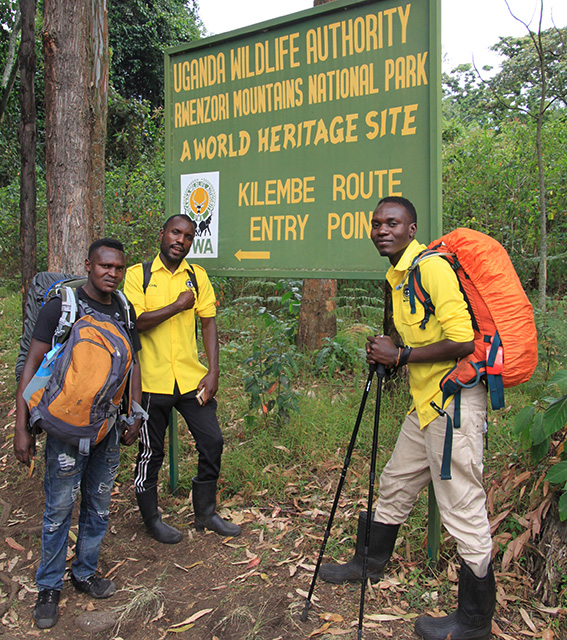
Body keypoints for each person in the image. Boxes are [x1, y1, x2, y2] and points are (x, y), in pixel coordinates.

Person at [320, 197, 495, 640]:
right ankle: (369, 562)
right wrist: (390, 350)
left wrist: (400, 356)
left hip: (453, 406)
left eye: (392, 223)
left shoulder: (431, 268)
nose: (382, 229)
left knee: (463, 509)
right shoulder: (398, 275)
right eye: (376, 223)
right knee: (396, 482)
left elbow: (462, 340)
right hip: (426, 406)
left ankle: (474, 621)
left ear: (411, 228)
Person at [14, 238, 143, 630]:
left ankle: (84, 572)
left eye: (119, 268)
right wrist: (22, 428)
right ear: (88, 265)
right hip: (66, 428)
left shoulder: (123, 308)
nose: (112, 274)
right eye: (105, 266)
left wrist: (134, 414)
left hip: (107, 426)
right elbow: (33, 364)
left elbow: (134, 364)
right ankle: (48, 587)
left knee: (98, 505)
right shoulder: (61, 306)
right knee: (57, 509)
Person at [123, 214, 241, 545]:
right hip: (150, 381)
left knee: (212, 441)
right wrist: (177, 306)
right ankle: (152, 519)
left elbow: (208, 323)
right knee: (150, 453)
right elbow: (136, 322)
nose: (181, 240)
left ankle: (205, 512)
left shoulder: (197, 276)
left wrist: (213, 371)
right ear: (162, 234)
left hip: (190, 380)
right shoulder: (138, 275)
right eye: (176, 233)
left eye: (188, 237)